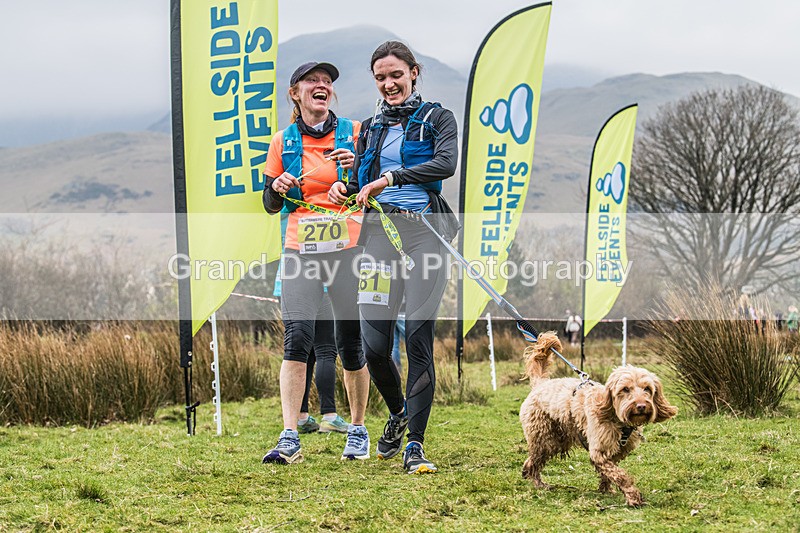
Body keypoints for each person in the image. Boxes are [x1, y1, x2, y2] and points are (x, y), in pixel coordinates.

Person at [330, 41, 459, 474]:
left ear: (414, 73)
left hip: (425, 237)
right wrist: (345, 185)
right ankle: (400, 412)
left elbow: (445, 165)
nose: (389, 84)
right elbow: (358, 183)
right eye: (381, 78)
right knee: (375, 345)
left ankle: (416, 446)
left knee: (419, 341)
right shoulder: (368, 128)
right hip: (381, 239)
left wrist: (390, 177)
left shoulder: (438, 118)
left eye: (396, 75)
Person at [261, 61, 370, 464]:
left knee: (350, 343)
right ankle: (289, 436)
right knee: (297, 340)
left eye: (327, 82)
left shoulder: (356, 133)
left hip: (347, 248)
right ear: (296, 93)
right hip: (300, 251)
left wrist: (354, 172)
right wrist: (276, 187)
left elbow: (371, 182)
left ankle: (357, 429)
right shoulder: (282, 142)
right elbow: (270, 204)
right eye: (313, 81)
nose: (322, 86)